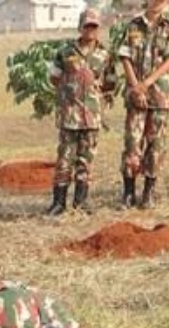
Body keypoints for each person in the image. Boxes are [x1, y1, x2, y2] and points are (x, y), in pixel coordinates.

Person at [45, 9, 115, 216]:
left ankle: (81, 201)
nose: (90, 30)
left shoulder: (104, 54)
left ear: (98, 29)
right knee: (65, 159)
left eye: (94, 26)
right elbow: (54, 78)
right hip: (70, 115)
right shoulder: (65, 52)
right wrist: (69, 91)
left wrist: (96, 96)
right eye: (87, 26)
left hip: (92, 117)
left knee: (86, 160)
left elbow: (110, 82)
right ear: (80, 27)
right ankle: (58, 203)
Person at [118, 0, 169, 209]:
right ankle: (128, 192)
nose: (156, 2)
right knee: (132, 143)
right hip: (136, 95)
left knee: (155, 145)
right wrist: (136, 87)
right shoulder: (133, 25)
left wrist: (147, 83)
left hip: (160, 95)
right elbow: (124, 57)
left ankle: (148, 192)